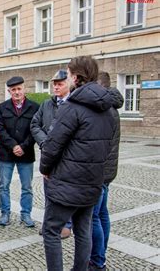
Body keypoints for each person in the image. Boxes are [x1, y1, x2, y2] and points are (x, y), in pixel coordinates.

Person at [40, 56, 115, 271]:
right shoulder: (108, 109)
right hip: (92, 181)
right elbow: (107, 146)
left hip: (68, 182)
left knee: (51, 230)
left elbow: (53, 144)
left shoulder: (72, 106)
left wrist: (45, 168)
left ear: (75, 76)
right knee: (83, 231)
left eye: (68, 73)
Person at [30, 70, 73, 239]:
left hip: (67, 157)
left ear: (68, 84)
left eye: (60, 83)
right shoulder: (47, 104)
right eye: (54, 84)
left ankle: (66, 225)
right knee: (49, 191)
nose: (56, 87)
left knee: (66, 191)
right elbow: (35, 124)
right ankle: (50, 223)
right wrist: (45, 142)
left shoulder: (73, 104)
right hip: (48, 155)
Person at [89, 71, 124, 271]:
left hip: (100, 170)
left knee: (94, 216)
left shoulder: (103, 108)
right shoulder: (113, 106)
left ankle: (97, 260)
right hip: (108, 170)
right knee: (102, 213)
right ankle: (101, 253)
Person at [0, 76, 39, 227]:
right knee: (3, 185)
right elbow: (0, 130)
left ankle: (26, 214)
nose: (16, 92)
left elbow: (35, 130)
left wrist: (23, 146)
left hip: (26, 153)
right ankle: (5, 213)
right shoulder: (3, 107)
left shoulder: (34, 107)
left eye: (19, 88)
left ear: (24, 89)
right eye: (13, 89)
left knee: (27, 187)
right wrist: (14, 146)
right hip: (6, 154)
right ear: (9, 91)